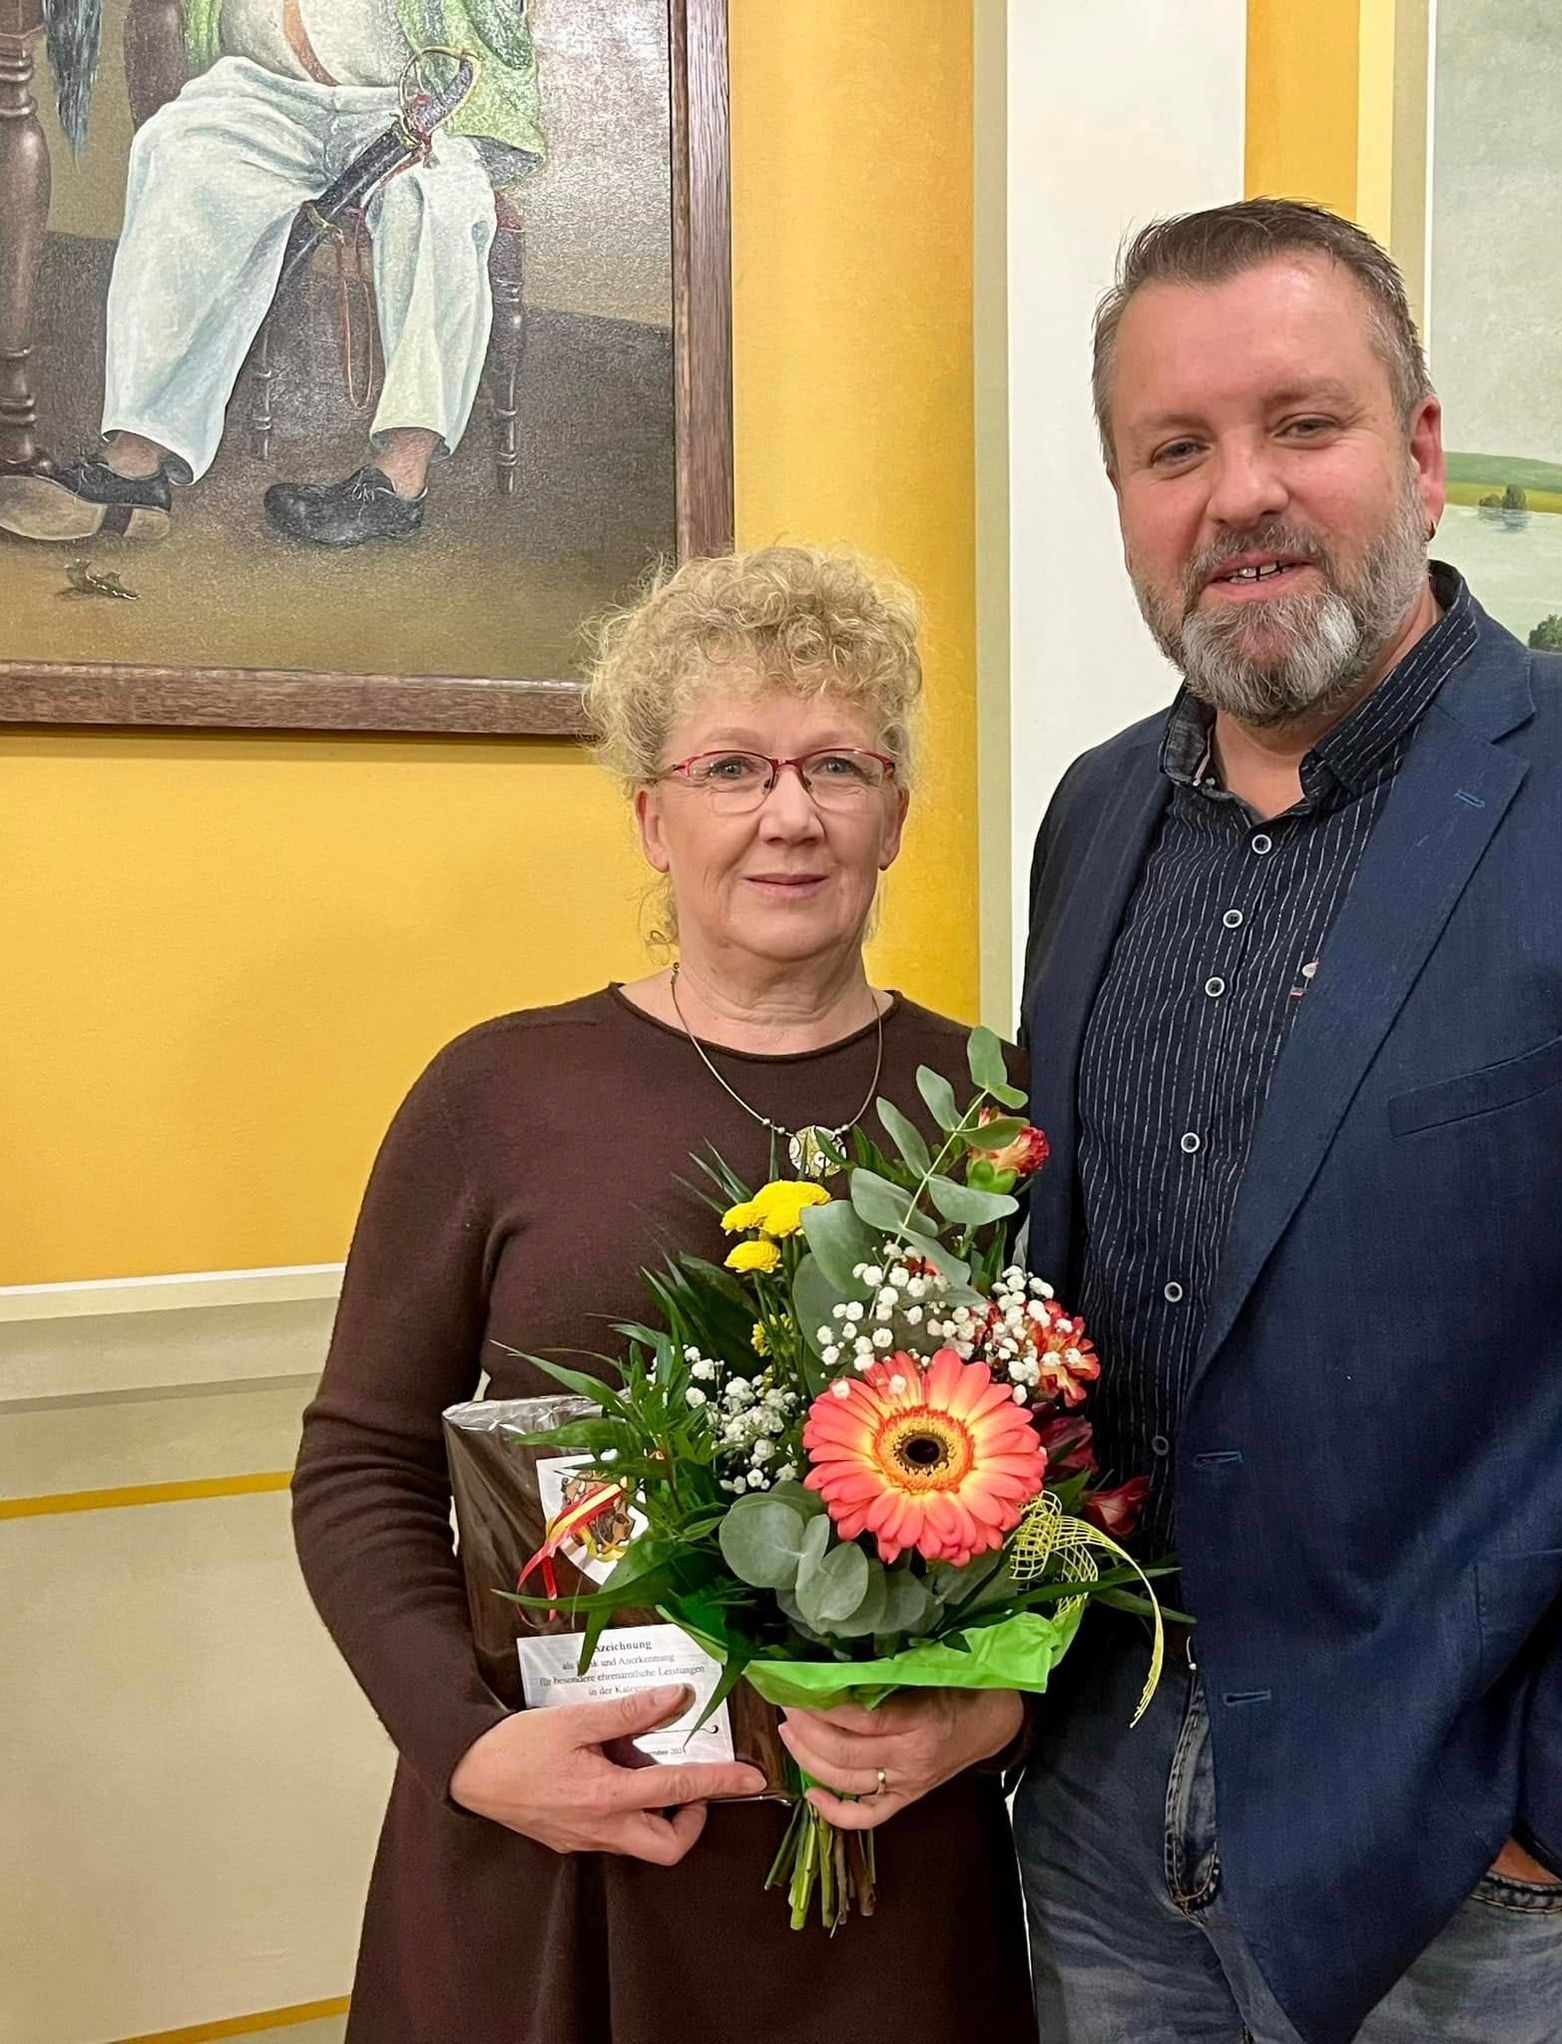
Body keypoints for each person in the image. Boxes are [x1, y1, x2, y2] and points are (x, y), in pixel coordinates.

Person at [1013, 197, 1562, 2044]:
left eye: (1303, 423)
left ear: (1419, 451)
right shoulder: (1093, 817)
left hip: (1454, 1847)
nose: (1240, 493)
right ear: (1121, 496)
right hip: (1094, 1798)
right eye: (1174, 449)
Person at [292, 546, 1036, 2042]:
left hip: (888, 1884)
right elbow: (360, 1466)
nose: (789, 814)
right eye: (732, 767)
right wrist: (467, 1750)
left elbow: (1086, 1491)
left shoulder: (994, 1109)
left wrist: (991, 1716)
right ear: (652, 816)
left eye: (839, 765)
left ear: (896, 812)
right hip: (551, 1861)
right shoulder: (497, 1093)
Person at [0, 0, 539, 551]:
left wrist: (435, 115)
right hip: (260, 93)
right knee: (177, 153)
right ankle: (134, 464)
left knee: (438, 199)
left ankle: (399, 479)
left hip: (405, 101)